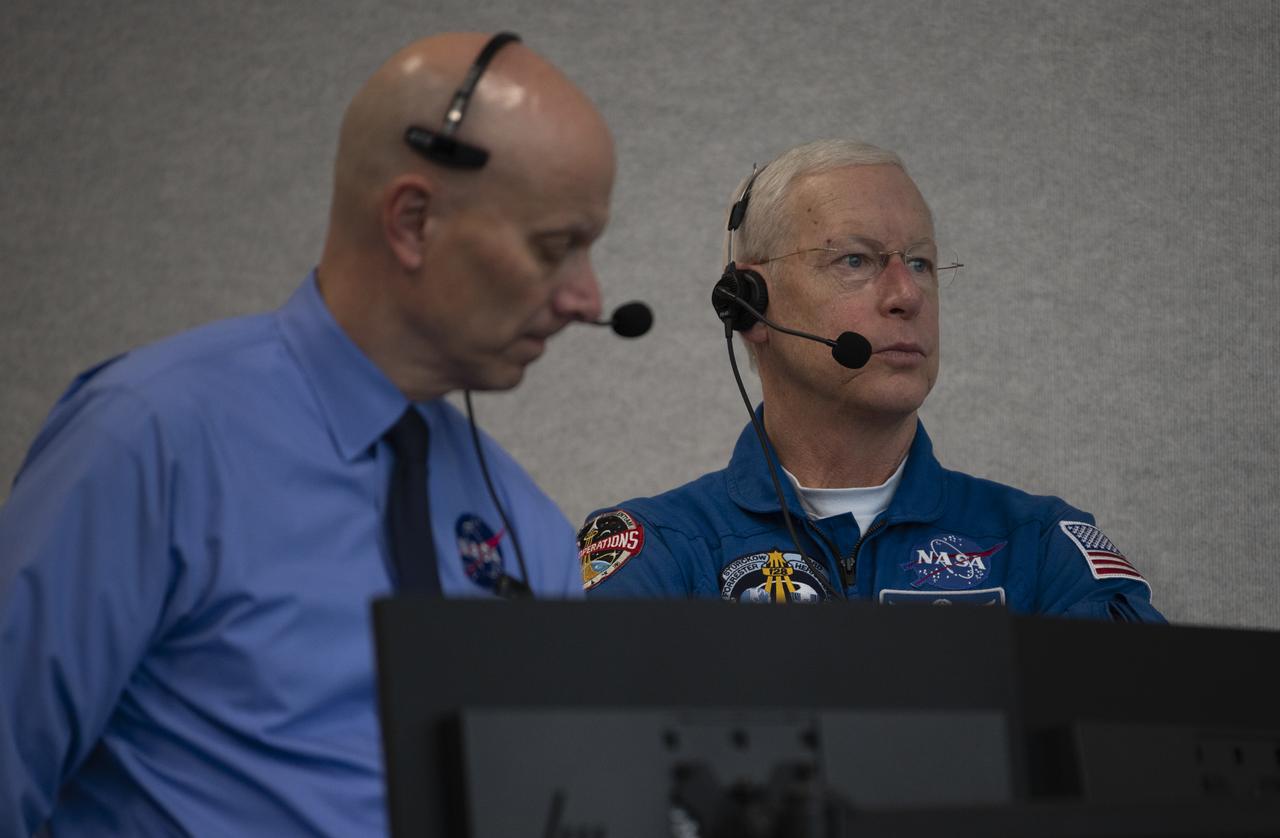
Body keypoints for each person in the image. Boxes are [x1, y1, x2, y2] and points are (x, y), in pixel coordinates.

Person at [0, 32, 614, 836]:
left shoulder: (524, 527)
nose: (589, 299)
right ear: (413, 220)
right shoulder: (151, 439)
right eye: (554, 248)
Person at [578, 139, 1163, 623]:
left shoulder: (1040, 548)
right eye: (854, 260)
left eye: (920, 263)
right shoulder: (662, 546)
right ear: (749, 306)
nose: (906, 295)